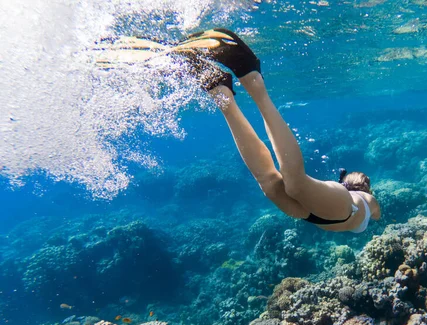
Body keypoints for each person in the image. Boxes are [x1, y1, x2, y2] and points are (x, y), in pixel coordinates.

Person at [100, 28, 381, 232]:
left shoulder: (350, 193)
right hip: (340, 212)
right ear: (364, 187)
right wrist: (358, 189)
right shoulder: (367, 200)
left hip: (314, 214)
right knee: (294, 181)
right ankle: (250, 76)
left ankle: (219, 87)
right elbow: (374, 213)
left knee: (269, 181)